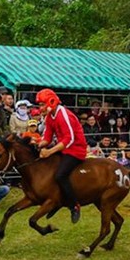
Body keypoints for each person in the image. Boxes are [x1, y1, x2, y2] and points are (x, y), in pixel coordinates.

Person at [36, 88, 87, 223]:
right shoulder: (50, 116)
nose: (40, 108)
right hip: (64, 148)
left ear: (51, 102)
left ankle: (74, 205)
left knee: (60, 175)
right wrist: (37, 143)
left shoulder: (63, 115)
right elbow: (47, 136)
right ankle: (56, 199)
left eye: (42, 104)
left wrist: (49, 151)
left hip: (76, 150)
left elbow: (69, 139)